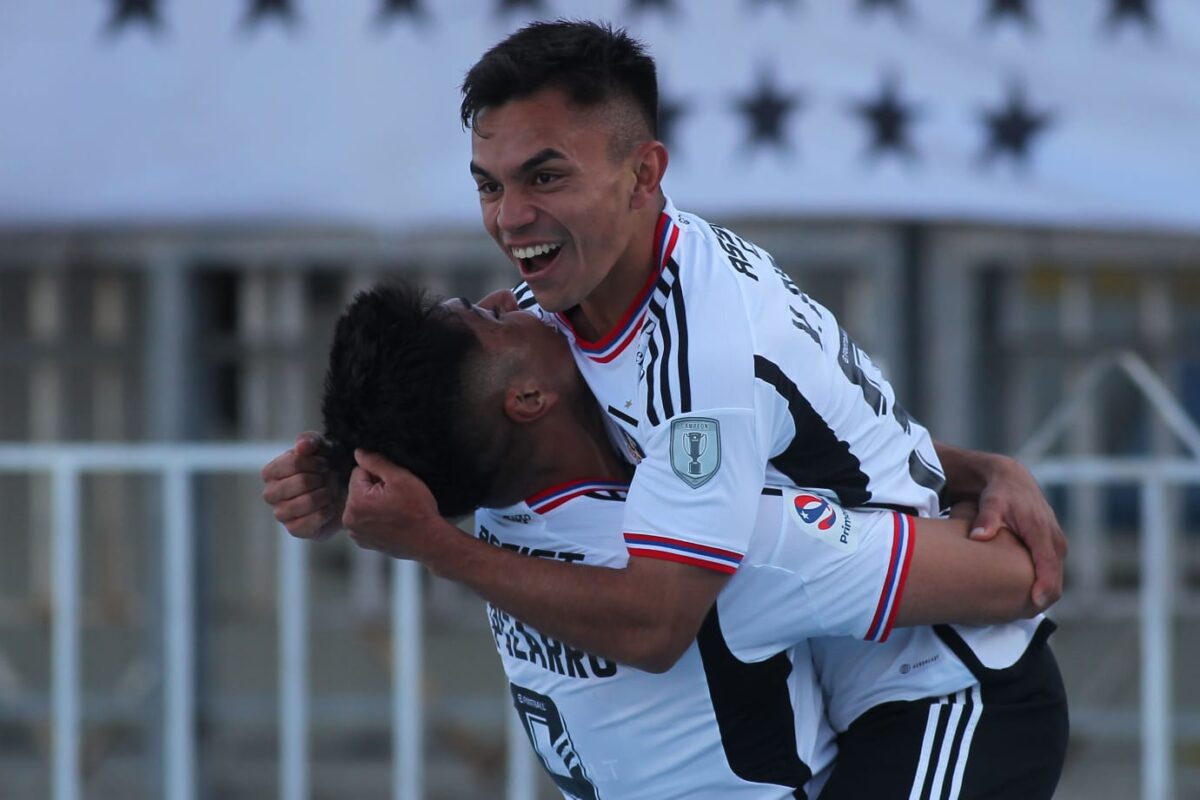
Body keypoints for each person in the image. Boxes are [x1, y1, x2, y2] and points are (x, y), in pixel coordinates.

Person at [261, 20, 1068, 797]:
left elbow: (657, 622)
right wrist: (354, 467)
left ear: (645, 174)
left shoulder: (704, 356)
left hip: (937, 684)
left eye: (546, 177)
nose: (508, 219)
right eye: (489, 184)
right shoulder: (564, 302)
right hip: (833, 668)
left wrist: (436, 544)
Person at [318, 282, 1056, 800]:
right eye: (490, 318)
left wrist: (976, 469)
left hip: (942, 709)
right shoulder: (730, 546)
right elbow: (1017, 575)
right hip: (940, 698)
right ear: (528, 399)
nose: (513, 297)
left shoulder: (499, 511)